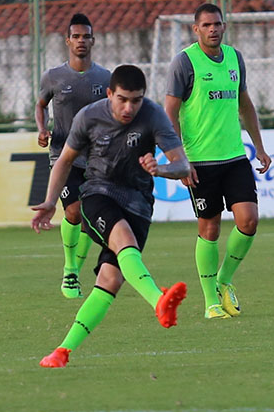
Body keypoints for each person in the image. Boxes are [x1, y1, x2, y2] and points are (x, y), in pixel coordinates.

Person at [31, 65, 190, 368]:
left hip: (140, 204)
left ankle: (62, 351)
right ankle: (159, 300)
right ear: (109, 94)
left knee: (110, 280)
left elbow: (183, 166)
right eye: (122, 99)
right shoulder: (89, 117)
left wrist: (161, 169)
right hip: (97, 195)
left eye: (136, 100)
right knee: (123, 239)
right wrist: (51, 201)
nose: (129, 107)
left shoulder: (154, 115)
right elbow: (64, 160)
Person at [164, 3, 272, 320]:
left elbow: (245, 103)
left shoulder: (235, 58)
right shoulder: (184, 63)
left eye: (218, 24)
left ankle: (224, 280)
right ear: (195, 29)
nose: (213, 29)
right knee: (209, 228)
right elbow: (168, 114)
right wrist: (179, 159)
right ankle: (211, 301)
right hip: (200, 161)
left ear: (224, 27)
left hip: (235, 156)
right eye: (207, 25)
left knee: (248, 221)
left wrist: (260, 147)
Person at [35, 13, 111, 299]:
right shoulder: (53, 76)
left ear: (93, 40)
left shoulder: (105, 78)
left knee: (92, 218)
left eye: (86, 36)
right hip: (64, 156)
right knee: (74, 211)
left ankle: (76, 270)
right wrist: (42, 129)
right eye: (76, 36)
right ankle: (70, 270)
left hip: (96, 157)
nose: (81, 41)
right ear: (68, 41)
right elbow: (40, 105)